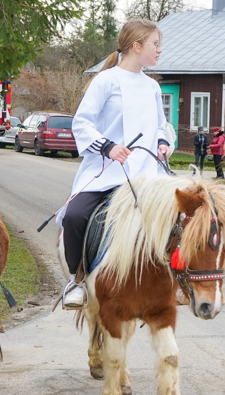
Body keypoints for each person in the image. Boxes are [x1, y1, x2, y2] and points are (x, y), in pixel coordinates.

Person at [59, 18, 172, 309]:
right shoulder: (105, 81)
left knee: (184, 214)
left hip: (147, 176)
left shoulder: (152, 87)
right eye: (155, 44)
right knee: (74, 216)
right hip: (106, 173)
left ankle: (177, 279)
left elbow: (162, 125)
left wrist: (162, 142)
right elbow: (82, 124)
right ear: (136, 46)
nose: (159, 50)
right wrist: (108, 147)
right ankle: (76, 280)